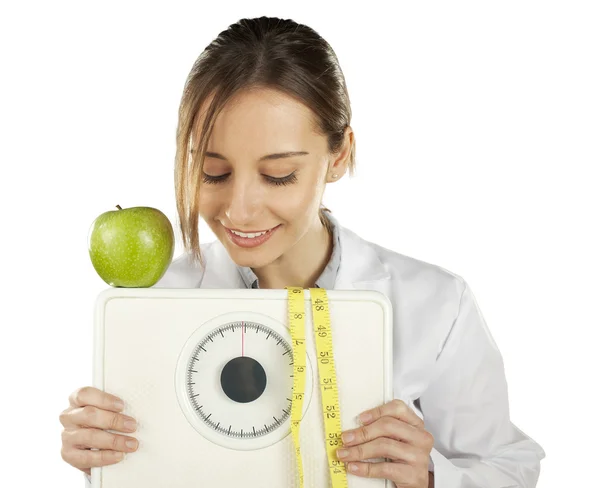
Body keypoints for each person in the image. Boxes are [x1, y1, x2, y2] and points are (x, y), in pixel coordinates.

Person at [59, 16, 545, 487]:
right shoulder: (154, 300)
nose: (241, 210)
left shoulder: (438, 304)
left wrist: (430, 479)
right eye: (213, 172)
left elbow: (510, 467)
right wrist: (103, 458)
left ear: (339, 155)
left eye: (278, 175)